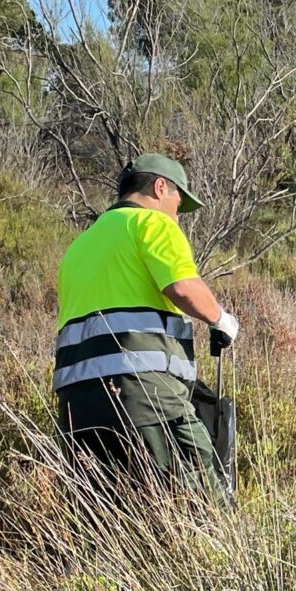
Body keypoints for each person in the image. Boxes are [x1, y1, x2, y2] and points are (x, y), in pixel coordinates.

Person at [55, 153, 240, 507]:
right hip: (145, 395)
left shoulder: (79, 246)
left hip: (77, 405)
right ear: (160, 187)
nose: (177, 216)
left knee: (105, 512)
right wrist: (220, 319)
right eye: (178, 204)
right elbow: (182, 287)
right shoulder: (151, 223)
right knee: (203, 495)